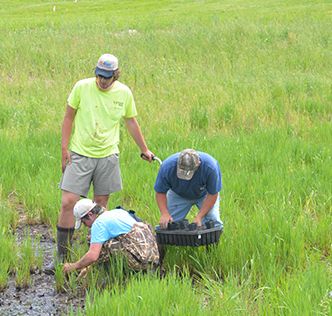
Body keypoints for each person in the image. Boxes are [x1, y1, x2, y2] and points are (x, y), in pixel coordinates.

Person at [45, 53, 155, 274]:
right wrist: (64, 149)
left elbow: (131, 121)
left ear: (115, 75)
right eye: (99, 75)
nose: (102, 81)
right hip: (80, 153)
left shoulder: (124, 93)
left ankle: (94, 261)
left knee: (99, 209)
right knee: (68, 202)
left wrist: (144, 149)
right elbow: (68, 117)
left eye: (106, 77)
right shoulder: (82, 87)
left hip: (107, 156)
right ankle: (60, 258)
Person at [62, 199, 159, 277]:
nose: (85, 225)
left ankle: (112, 275)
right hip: (153, 258)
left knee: (91, 236)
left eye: (83, 222)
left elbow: (93, 255)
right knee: (104, 239)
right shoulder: (118, 212)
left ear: (90, 215)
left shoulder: (99, 223)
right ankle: (145, 272)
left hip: (139, 261)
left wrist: (74, 266)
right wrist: (89, 267)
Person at [154, 149, 222, 230]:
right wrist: (165, 213)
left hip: (204, 195)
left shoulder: (210, 167)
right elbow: (160, 192)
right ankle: (161, 241)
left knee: (213, 221)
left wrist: (199, 217)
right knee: (168, 224)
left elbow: (213, 194)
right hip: (177, 194)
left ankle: (212, 242)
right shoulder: (168, 167)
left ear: (198, 164)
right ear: (178, 162)